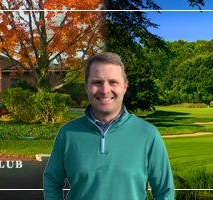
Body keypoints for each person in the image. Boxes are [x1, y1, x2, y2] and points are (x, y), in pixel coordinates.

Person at [43, 52, 174, 200]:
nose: (105, 90)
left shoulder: (148, 134)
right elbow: (52, 181)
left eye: (113, 82)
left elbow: (165, 191)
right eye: (97, 82)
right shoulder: (68, 133)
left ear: (125, 86)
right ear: (86, 86)